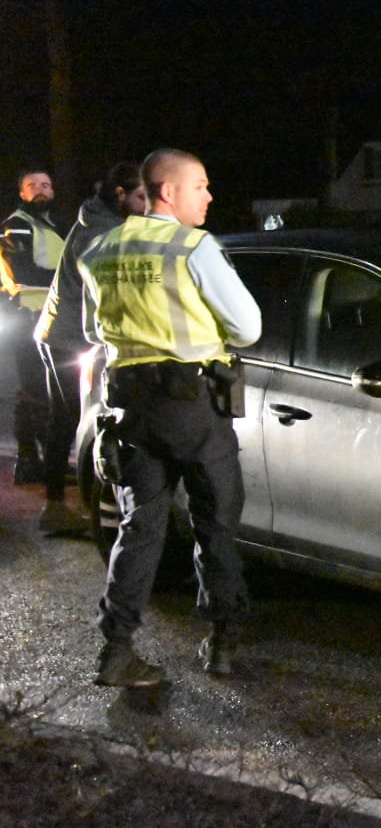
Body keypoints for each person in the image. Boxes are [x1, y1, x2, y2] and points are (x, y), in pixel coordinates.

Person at [79, 149, 260, 688]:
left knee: (138, 529)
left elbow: (95, 331)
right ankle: (223, 642)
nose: (209, 196)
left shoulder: (101, 249)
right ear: (167, 192)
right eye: (200, 185)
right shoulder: (192, 247)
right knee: (215, 524)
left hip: (132, 409)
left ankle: (116, 649)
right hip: (193, 407)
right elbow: (247, 326)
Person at [32, 163, 148, 535]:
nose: (147, 204)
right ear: (120, 194)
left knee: (64, 419)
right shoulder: (100, 231)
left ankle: (57, 506)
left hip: (58, 331)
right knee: (78, 420)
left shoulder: (99, 220)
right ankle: (67, 508)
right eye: (141, 196)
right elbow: (100, 296)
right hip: (69, 338)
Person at [1, 169, 65, 483]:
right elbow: (22, 271)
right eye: (32, 186)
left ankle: (41, 458)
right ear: (22, 194)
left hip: (53, 317)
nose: (40, 190)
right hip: (30, 318)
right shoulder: (16, 225)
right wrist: (68, 278)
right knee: (35, 390)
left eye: (45, 185)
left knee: (48, 390)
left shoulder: (54, 225)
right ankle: (30, 459)